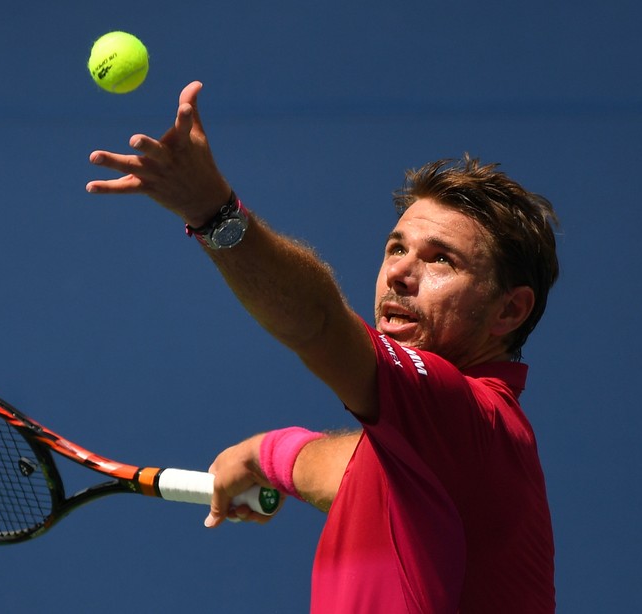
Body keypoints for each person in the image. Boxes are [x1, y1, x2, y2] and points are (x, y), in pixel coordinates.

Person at [86, 81, 558, 613]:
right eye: (396, 248)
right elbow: (345, 470)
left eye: (441, 260)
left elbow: (319, 323)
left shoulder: (470, 416)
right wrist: (267, 454)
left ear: (509, 310)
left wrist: (213, 211)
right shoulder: (435, 450)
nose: (399, 273)